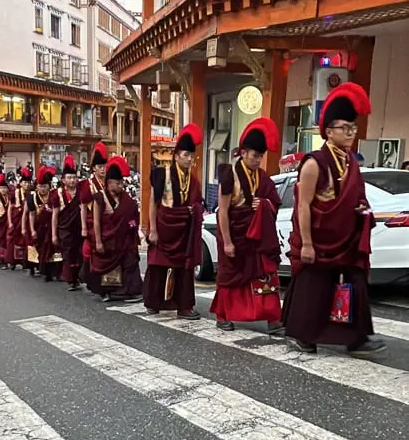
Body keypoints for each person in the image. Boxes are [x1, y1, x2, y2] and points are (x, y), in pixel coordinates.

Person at [282, 82, 386, 358]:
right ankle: (300, 334)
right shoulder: (314, 163)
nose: (351, 133)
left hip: (346, 238)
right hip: (318, 237)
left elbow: (354, 197)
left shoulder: (352, 162)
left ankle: (357, 337)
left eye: (353, 128)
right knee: (314, 286)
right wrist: (306, 244)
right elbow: (303, 205)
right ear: (329, 131)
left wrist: (362, 210)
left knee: (356, 281)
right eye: (345, 128)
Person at [210, 118, 282, 332]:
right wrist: (228, 242)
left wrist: (265, 205)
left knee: (266, 273)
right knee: (230, 277)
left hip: (257, 237)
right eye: (255, 156)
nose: (258, 160)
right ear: (243, 153)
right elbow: (222, 211)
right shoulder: (229, 175)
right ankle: (223, 315)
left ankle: (273, 318)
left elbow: (274, 201)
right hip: (236, 233)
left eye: (261, 156)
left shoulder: (262, 177)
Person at [143, 123, 203, 320]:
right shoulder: (163, 173)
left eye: (191, 156)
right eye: (186, 155)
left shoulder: (193, 180)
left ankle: (184, 306)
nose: (189, 159)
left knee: (184, 270)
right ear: (176, 155)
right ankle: (154, 303)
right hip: (163, 226)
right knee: (157, 265)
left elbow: (196, 204)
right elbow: (153, 201)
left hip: (183, 230)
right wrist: (152, 229)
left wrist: (193, 211)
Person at [89, 156, 143, 302]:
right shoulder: (99, 198)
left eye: (122, 182)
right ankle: (108, 292)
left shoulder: (126, 199)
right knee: (105, 267)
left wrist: (132, 227)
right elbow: (97, 222)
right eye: (118, 183)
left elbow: (133, 216)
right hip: (108, 240)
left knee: (130, 262)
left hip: (125, 239)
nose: (121, 185)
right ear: (109, 183)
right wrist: (99, 242)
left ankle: (129, 292)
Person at [51, 155, 82, 291]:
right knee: (69, 254)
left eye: (74, 177)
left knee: (79, 253)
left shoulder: (81, 192)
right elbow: (55, 214)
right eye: (69, 178)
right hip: (64, 229)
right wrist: (54, 234)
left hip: (79, 228)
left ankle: (77, 277)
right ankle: (70, 279)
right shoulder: (58, 194)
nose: (72, 180)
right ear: (63, 180)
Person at [80, 142, 108, 289]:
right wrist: (84, 227)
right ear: (93, 169)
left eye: (104, 166)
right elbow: (83, 207)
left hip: (107, 221)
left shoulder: (109, 182)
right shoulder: (87, 185)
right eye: (100, 167)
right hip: (92, 221)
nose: (103, 170)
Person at [27, 165, 61, 282]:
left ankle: (55, 272)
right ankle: (44, 271)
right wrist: (32, 230)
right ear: (37, 187)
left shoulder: (54, 196)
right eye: (40, 186)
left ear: (49, 186)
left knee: (53, 249)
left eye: (45, 186)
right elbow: (31, 214)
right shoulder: (32, 198)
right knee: (41, 249)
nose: (43, 189)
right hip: (39, 228)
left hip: (52, 227)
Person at [5, 167, 32, 270]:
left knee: (26, 241)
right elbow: (9, 209)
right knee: (12, 240)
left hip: (26, 220)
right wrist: (10, 222)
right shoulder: (14, 194)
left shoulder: (31, 193)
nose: (26, 185)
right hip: (16, 220)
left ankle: (26, 262)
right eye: (24, 182)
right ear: (20, 183)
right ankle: (12, 261)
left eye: (28, 182)